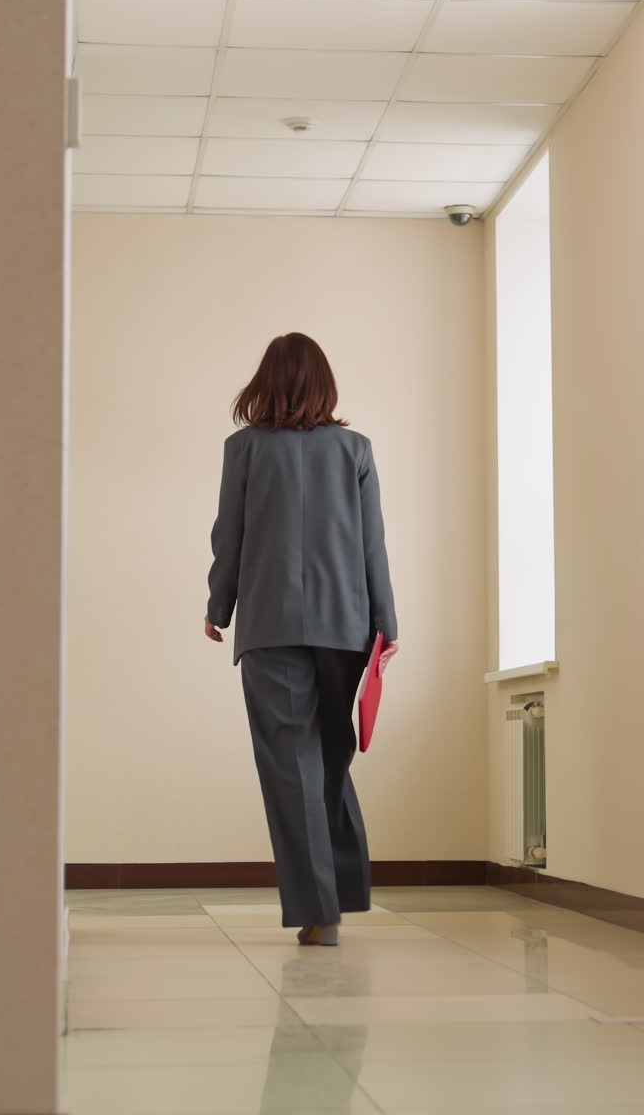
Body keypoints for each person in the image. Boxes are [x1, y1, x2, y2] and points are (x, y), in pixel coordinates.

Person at [205, 332, 398, 947]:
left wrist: (219, 605)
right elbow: (373, 546)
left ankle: (321, 914)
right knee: (330, 761)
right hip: (346, 628)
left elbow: (228, 538)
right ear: (324, 384)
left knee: (292, 766)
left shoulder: (244, 450)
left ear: (266, 382)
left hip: (270, 627)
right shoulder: (356, 449)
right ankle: (338, 900)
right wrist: (387, 625)